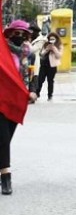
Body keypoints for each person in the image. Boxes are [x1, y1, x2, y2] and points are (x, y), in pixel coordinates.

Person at [0, 20, 39, 195]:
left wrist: (33, 91)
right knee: (3, 137)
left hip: (18, 100)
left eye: (24, 34)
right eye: (17, 33)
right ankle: (5, 176)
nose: (20, 36)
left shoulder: (28, 53)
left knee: (6, 138)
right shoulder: (3, 52)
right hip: (2, 98)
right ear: (9, 34)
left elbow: (33, 74)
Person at [35, 32, 63, 102]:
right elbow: (41, 54)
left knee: (50, 81)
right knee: (40, 79)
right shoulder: (45, 44)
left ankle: (50, 95)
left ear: (56, 39)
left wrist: (54, 48)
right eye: (50, 39)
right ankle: (37, 93)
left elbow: (59, 56)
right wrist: (47, 49)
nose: (51, 40)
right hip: (44, 65)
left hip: (52, 66)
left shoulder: (59, 45)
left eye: (53, 39)